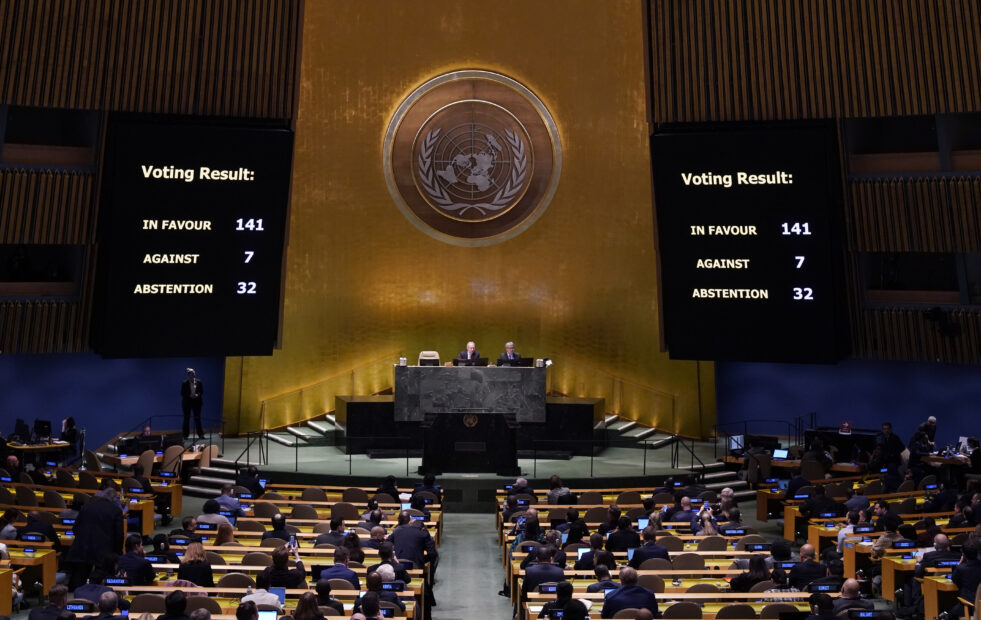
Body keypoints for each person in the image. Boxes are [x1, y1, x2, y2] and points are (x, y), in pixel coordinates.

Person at [947, 540, 981, 620]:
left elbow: (954, 580)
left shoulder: (961, 568)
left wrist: (959, 563)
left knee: (949, 615)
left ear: (963, 554)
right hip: (978, 605)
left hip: (968, 605)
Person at [181, 368, 204, 440]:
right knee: (186, 418)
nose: (193, 375)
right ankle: (185, 435)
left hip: (197, 402)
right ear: (189, 375)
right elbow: (182, 393)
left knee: (197, 418)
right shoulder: (185, 383)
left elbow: (201, 391)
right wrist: (189, 395)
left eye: (194, 374)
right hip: (187, 403)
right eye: (192, 374)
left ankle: (201, 435)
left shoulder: (199, 382)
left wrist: (197, 395)